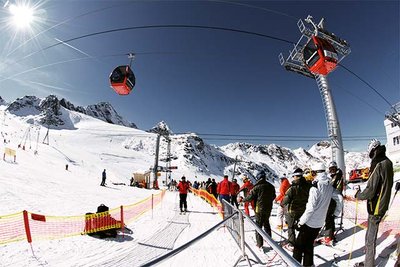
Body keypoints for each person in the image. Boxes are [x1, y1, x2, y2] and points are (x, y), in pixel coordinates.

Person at [354, 139, 393, 267]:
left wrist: (358, 195)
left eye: (371, 153)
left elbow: (370, 191)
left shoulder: (377, 164)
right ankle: (368, 261)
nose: (371, 157)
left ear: (374, 150)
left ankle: (369, 264)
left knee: (370, 238)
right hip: (382, 204)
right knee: (370, 235)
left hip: (375, 206)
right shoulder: (388, 162)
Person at [293, 163, 342, 267]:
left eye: (312, 172)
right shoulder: (328, 185)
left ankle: (294, 264)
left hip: (310, 223)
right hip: (319, 223)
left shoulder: (315, 187)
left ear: (315, 172)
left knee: (298, 247)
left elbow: (310, 209)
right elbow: (339, 198)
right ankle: (308, 265)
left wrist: (300, 223)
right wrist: (336, 213)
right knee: (309, 245)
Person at [239, 170, 275, 249]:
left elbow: (250, 197)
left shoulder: (257, 187)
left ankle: (259, 244)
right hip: (268, 208)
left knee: (258, 226)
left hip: (259, 209)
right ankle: (271, 242)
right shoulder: (271, 186)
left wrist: (242, 200)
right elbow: (274, 196)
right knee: (266, 224)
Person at [281, 168, 311, 248]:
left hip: (292, 210)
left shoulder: (292, 188)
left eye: (294, 176)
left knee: (291, 227)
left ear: (296, 176)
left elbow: (286, 200)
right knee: (302, 226)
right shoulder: (308, 186)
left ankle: (291, 244)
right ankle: (304, 242)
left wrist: (282, 204)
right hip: (304, 210)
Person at [320, 161, 345, 245]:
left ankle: (328, 237)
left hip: (333, 200)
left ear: (336, 168)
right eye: (330, 169)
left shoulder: (337, 176)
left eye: (333, 169)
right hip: (333, 199)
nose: (332, 171)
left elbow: (332, 188)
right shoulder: (336, 175)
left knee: (329, 218)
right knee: (330, 218)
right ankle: (330, 235)